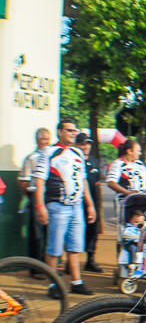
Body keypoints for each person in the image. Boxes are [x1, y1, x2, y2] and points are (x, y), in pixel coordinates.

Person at [33, 119, 96, 296]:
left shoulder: (78, 152)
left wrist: (90, 205)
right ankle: (54, 285)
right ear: (60, 132)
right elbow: (40, 181)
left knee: (75, 247)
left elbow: (83, 180)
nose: (73, 133)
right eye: (69, 130)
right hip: (58, 205)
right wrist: (40, 206)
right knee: (54, 248)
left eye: (75, 131)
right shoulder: (49, 152)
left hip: (76, 206)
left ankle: (76, 282)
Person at [19, 127, 52, 262]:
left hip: (50, 196)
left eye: (48, 139)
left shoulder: (53, 155)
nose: (46, 142)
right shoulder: (31, 158)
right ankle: (35, 267)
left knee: (51, 231)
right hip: (36, 197)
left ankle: (49, 264)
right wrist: (31, 197)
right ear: (37, 140)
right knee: (36, 233)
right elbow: (23, 182)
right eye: (43, 139)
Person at [74, 132, 104, 273]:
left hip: (93, 202)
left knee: (92, 231)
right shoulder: (73, 159)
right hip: (77, 202)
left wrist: (98, 205)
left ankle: (90, 260)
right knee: (75, 232)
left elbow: (97, 183)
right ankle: (70, 263)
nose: (86, 147)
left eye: (88, 143)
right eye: (83, 143)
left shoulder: (93, 160)